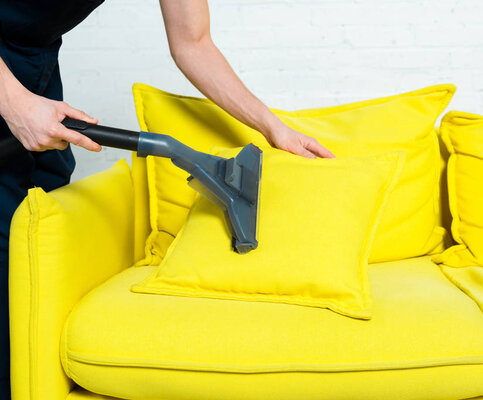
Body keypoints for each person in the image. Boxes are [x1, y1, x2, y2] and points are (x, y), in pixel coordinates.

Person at [0, 0, 334, 397]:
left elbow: (193, 42)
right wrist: (14, 103)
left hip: (32, 64)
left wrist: (272, 128)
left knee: (37, 229)